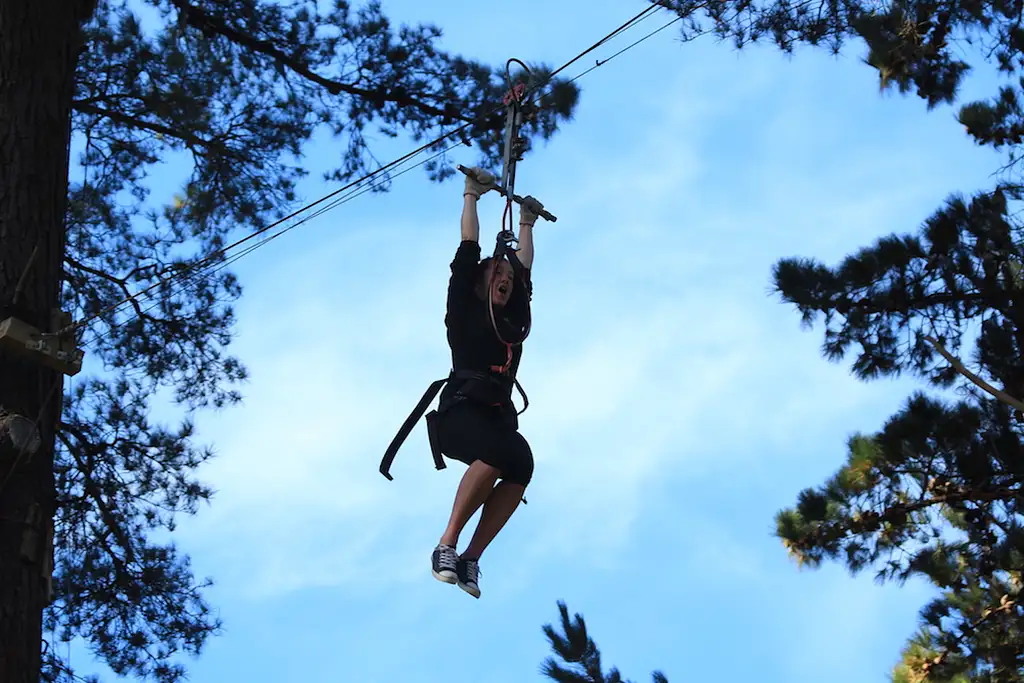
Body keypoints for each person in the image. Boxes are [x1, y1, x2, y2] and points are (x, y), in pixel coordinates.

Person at [430, 167, 539, 599]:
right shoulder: (463, 307)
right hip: (459, 413)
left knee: (521, 462)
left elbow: (525, 274)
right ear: (480, 282)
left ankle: (471, 558)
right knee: (496, 452)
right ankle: (447, 544)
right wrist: (472, 196)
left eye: (507, 282)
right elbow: (468, 248)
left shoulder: (512, 322)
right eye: (496, 277)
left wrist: (527, 223)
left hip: (493, 419)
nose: (504, 282)